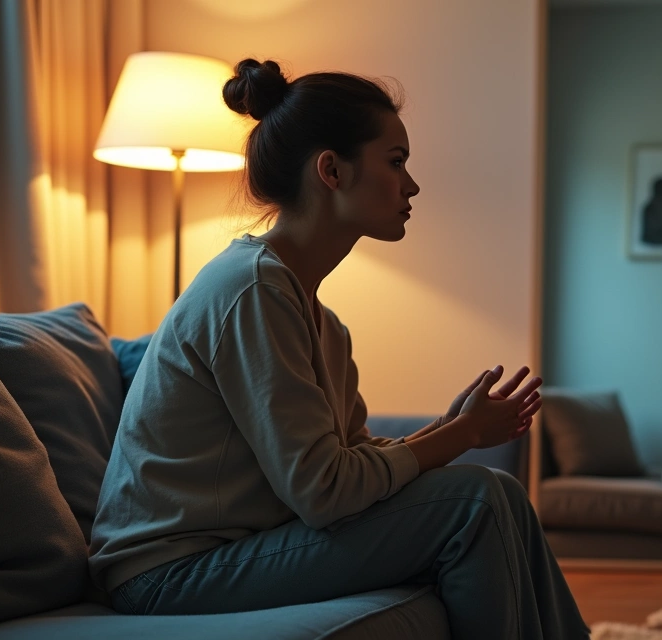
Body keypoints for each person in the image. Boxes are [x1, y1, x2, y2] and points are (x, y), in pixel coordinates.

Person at [88, 59, 588, 639]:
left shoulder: (319, 320)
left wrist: (446, 429)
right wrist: (460, 437)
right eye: (396, 162)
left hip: (236, 551)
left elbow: (349, 464)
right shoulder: (251, 290)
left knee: (501, 491)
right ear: (330, 170)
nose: (412, 185)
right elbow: (325, 493)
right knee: (474, 502)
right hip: (164, 574)